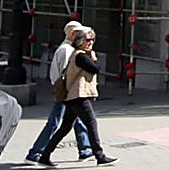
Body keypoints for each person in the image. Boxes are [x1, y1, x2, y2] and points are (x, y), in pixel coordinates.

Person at [36, 28, 117, 167]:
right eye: (88, 40)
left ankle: (45, 156)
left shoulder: (78, 54)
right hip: (78, 95)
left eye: (92, 40)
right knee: (91, 123)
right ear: (80, 41)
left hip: (72, 96)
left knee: (65, 128)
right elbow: (95, 68)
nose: (91, 42)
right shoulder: (80, 56)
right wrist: (91, 54)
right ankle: (100, 155)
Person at [26, 21, 92, 163]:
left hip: (65, 89)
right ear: (73, 34)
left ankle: (85, 149)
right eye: (80, 35)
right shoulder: (67, 50)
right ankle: (36, 152)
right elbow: (65, 72)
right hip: (65, 90)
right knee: (55, 122)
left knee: (76, 120)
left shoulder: (65, 49)